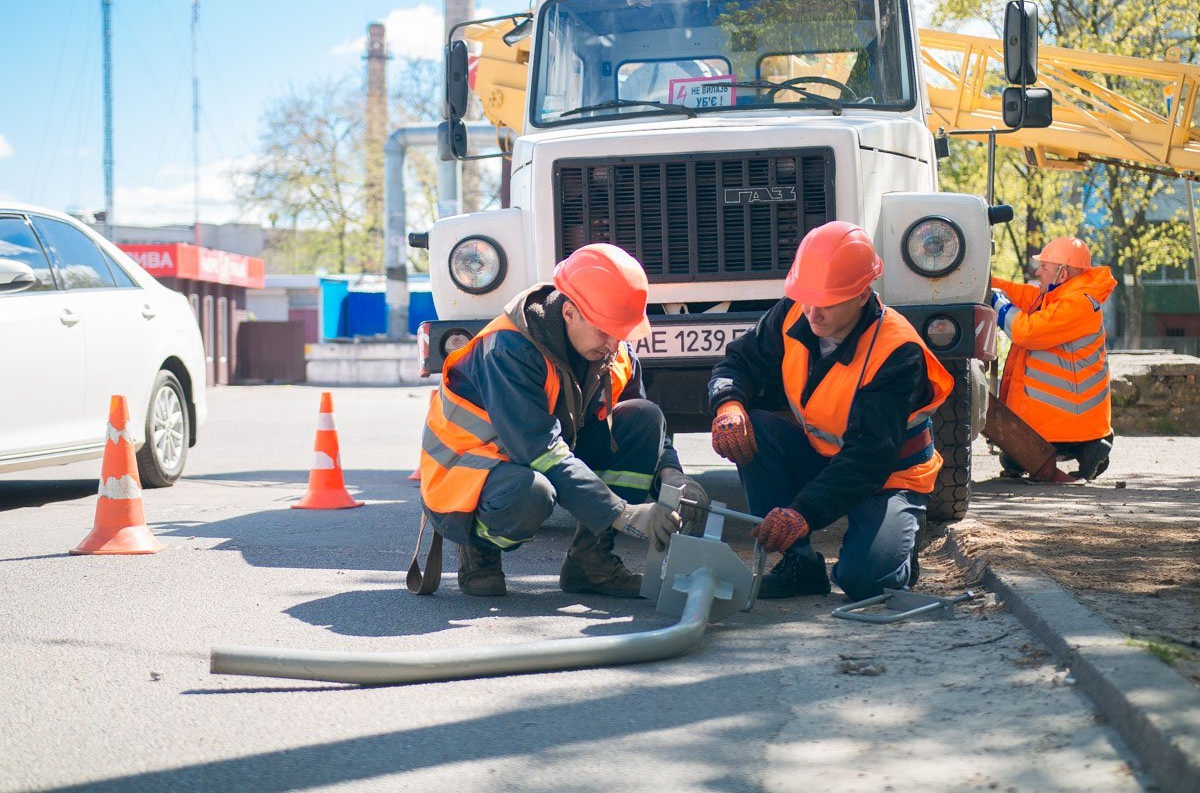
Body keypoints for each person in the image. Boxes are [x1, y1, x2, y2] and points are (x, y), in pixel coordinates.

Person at [419, 243, 710, 597]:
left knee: (644, 419)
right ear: (569, 313)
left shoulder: (611, 350)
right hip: (467, 477)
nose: (613, 344)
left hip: (533, 454)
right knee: (531, 493)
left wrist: (672, 474)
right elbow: (540, 451)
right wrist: (623, 513)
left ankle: (590, 564)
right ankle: (479, 543)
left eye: (620, 332)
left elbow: (646, 428)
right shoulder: (510, 350)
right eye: (604, 331)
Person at [707, 221, 953, 601]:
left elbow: (869, 458)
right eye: (807, 298)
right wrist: (729, 405)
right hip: (826, 458)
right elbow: (739, 362)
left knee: (867, 583)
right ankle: (799, 568)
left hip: (888, 475)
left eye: (827, 302)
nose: (813, 313)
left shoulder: (897, 351)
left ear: (861, 295)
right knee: (753, 427)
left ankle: (900, 550)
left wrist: (802, 513)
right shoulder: (795, 312)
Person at [990, 236, 1117, 480]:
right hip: (1064, 419)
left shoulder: (1076, 304)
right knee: (1011, 455)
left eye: (1044, 267)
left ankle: (1088, 448)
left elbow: (1025, 332)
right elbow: (1016, 293)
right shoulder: (1058, 295)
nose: (1038, 272)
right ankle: (1087, 447)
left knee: (1014, 455)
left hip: (1069, 423)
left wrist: (999, 304)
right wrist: (981, 283)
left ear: (1062, 274)